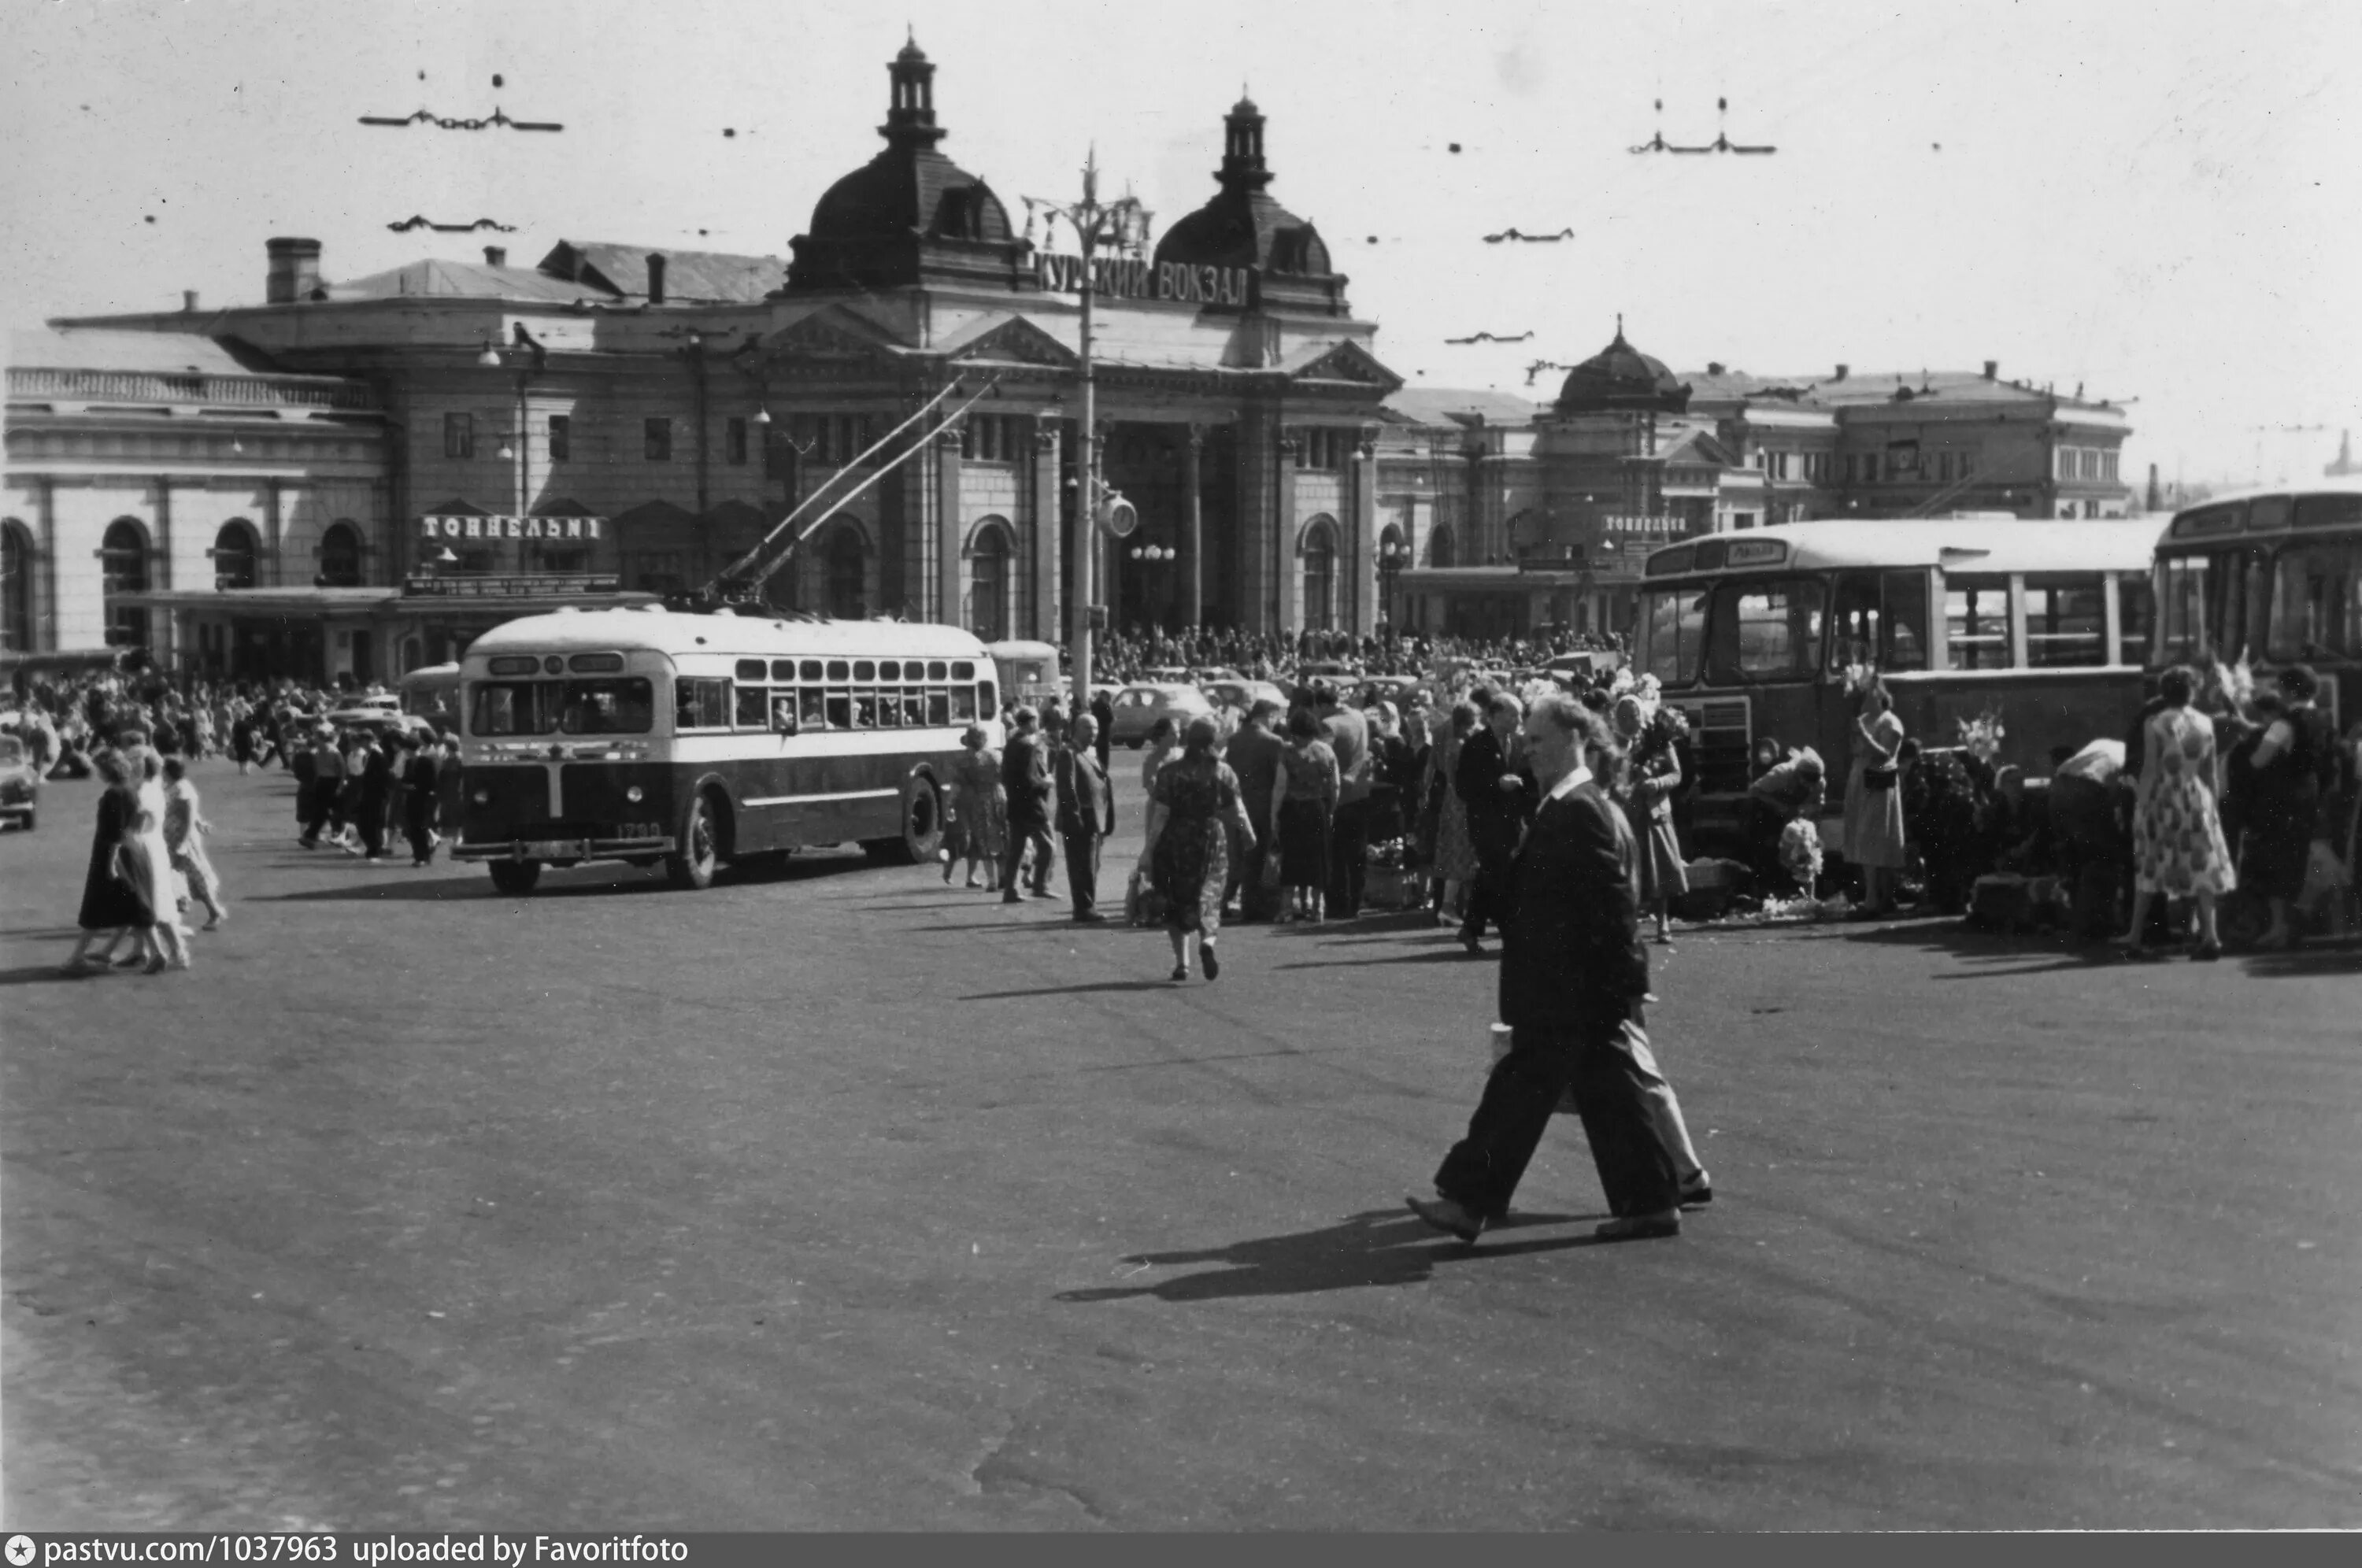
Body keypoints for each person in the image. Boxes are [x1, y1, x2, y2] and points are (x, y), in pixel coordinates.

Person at [1409, 696, 1684, 1244]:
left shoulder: (1580, 807)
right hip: (1570, 986)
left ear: (1571, 738)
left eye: (1536, 741)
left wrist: (1628, 983)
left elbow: (1613, 905)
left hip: (1569, 987)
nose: (1526, 751)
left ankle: (1469, 1202)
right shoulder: (1568, 803)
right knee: (1607, 1093)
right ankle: (1651, 1202)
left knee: (1522, 1089)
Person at [2120, 664, 2233, 962]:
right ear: (2192, 692)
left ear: (2163, 693)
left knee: (2150, 866)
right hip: (2198, 798)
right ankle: (2211, 935)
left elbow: (2150, 769)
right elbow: (2210, 772)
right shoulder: (2206, 723)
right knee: (2203, 866)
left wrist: (2140, 806)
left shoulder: (2155, 723)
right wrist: (2214, 806)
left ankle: (2134, 936)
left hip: (2162, 799)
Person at [1145, 716, 1257, 982]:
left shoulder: (1170, 772)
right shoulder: (1223, 771)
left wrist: (1149, 849)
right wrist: (1249, 834)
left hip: (1175, 840)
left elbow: (1161, 813)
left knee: (1176, 897)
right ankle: (1207, 942)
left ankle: (1182, 963)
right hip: (1211, 839)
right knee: (1210, 894)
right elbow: (1237, 810)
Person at [2245, 664, 2338, 949]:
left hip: (2283, 799)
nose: (2279, 693)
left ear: (2290, 690)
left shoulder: (2283, 724)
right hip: (2311, 796)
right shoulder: (2323, 719)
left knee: (2276, 861)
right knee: (2299, 859)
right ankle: (2298, 922)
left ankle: (2278, 927)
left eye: (2281, 687)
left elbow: (2258, 761)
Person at [1455, 692, 1533, 953]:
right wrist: (1496, 785)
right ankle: (1507, 929)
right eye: (1514, 714)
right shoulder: (1476, 745)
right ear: (1496, 715)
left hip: (1512, 822)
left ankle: (1471, 929)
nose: (1519, 719)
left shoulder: (1519, 743)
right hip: (1486, 823)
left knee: (1492, 875)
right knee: (1497, 872)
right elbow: (1464, 788)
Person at [61, 751, 151, 974]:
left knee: (94, 907)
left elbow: (113, 833)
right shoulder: (132, 792)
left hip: (109, 855)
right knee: (127, 905)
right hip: (130, 852)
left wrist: (110, 862)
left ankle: (77, 957)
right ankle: (111, 950)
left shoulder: (112, 797)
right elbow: (135, 824)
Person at [1614, 695, 1687, 944]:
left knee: (1661, 868)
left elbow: (1676, 774)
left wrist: (1657, 783)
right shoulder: (1612, 744)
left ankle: (1663, 922)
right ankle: (1630, 925)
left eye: (1633, 716)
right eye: (1622, 717)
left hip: (1655, 812)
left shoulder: (1656, 739)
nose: (1628, 722)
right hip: (1626, 816)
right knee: (1629, 871)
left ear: (1641, 715)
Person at [2048, 738, 2128, 943]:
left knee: (2075, 856)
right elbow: (2120, 792)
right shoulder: (2130, 757)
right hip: (2090, 788)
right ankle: (2096, 925)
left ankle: (2079, 922)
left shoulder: (2106, 745)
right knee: (2103, 858)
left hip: (2059, 786)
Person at [1843, 679, 1908, 916]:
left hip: (1879, 784)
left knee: (1874, 837)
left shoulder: (1891, 722)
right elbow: (1856, 750)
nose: (1865, 700)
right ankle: (1880, 896)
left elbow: (1884, 754)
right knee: (1865, 836)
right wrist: (1856, 734)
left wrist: (1862, 734)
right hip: (1862, 782)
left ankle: (1874, 899)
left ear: (1881, 696)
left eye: (1869, 695)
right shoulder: (1868, 720)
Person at [1269, 706, 1338, 923]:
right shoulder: (1326, 751)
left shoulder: (1287, 753)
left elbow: (1280, 787)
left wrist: (1274, 814)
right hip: (1317, 808)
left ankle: (1287, 909)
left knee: (1291, 859)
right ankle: (1318, 908)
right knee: (1318, 859)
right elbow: (1335, 785)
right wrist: (1331, 809)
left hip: (1292, 810)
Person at [123, 751, 190, 971]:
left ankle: (177, 951)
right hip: (151, 845)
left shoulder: (145, 791)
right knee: (146, 899)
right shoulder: (153, 787)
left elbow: (139, 823)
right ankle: (140, 951)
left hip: (144, 847)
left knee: (153, 901)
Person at [1222, 699, 1288, 922]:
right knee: (1258, 856)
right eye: (1274, 717)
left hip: (1236, 804)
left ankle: (1223, 902)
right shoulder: (1274, 742)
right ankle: (1252, 908)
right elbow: (1278, 777)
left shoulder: (1234, 739)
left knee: (1236, 857)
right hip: (1263, 806)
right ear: (1266, 715)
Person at [1318, 684, 1375, 919]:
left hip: (1338, 795)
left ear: (1324, 705)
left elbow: (1323, 759)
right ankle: (1356, 902)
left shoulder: (1329, 725)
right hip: (1361, 790)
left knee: (1336, 854)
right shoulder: (1359, 716)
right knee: (1357, 853)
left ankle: (1338, 904)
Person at [1054, 712, 1115, 923]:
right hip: (1081, 818)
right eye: (1088, 728)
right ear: (1076, 730)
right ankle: (1084, 908)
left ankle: (1088, 905)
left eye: (1096, 729)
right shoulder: (1068, 753)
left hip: (1095, 817)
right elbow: (1066, 788)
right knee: (1082, 866)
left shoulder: (1090, 752)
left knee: (1091, 865)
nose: (1093, 733)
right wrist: (1074, 816)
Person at [1426, 701, 1480, 926]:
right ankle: (1450, 907)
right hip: (1461, 804)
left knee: (1458, 856)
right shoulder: (1459, 746)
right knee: (1461, 856)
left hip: (1452, 802)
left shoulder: (1449, 742)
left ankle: (1455, 907)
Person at [999, 705, 1057, 903]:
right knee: (1048, 846)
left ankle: (1011, 890)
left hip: (1015, 803)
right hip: (1032, 804)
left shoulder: (1011, 744)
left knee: (1016, 849)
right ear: (1031, 721)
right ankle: (1040, 886)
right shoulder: (1028, 746)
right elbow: (1030, 778)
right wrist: (1046, 782)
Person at [161, 756, 227, 929]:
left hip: (182, 840)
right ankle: (179, 905)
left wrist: (183, 843)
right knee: (175, 874)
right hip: (172, 839)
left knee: (195, 874)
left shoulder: (182, 789)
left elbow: (189, 816)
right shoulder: (172, 787)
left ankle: (213, 911)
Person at [946, 725, 1008, 889]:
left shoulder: (964, 761)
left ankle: (992, 881)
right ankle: (1003, 877)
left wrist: (950, 804)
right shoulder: (996, 756)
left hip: (980, 800)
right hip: (1000, 796)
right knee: (1003, 836)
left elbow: (956, 786)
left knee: (984, 839)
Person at [402, 734, 442, 866]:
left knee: (421, 828)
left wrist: (415, 787)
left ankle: (425, 856)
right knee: (412, 828)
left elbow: (432, 782)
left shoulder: (426, 762)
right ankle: (418, 856)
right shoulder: (408, 763)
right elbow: (405, 780)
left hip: (423, 799)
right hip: (411, 799)